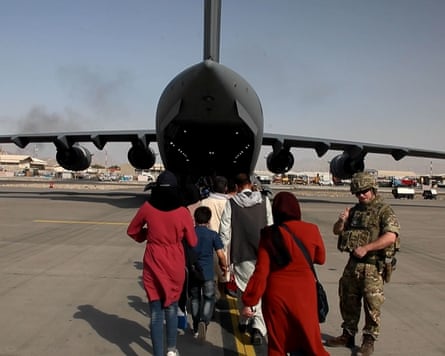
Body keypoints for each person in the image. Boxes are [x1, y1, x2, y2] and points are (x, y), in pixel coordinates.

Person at [241, 191, 330, 356]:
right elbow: (320, 258)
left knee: (277, 344)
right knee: (311, 341)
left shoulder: (269, 233)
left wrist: (249, 300)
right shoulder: (312, 230)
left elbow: (261, 271)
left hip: (277, 294)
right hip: (305, 292)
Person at [325, 172, 400, 356]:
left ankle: (369, 340)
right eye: (358, 192)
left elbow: (391, 236)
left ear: (373, 189)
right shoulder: (355, 211)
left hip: (373, 266)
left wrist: (367, 248)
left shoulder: (384, 211)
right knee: (347, 299)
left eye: (364, 191)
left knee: (372, 304)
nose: (361, 195)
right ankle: (347, 334)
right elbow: (336, 231)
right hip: (353, 265)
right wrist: (341, 221)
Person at [126, 170, 198, 356]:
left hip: (153, 259)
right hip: (174, 260)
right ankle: (172, 349)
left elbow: (132, 231)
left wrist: (147, 236)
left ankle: (157, 352)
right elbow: (192, 242)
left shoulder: (147, 207)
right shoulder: (182, 211)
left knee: (156, 312)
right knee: (172, 307)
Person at [219, 172, 273, 345]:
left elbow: (224, 231)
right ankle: (258, 327)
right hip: (262, 253)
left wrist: (223, 256)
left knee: (244, 289)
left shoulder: (232, 203)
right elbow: (270, 226)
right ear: (251, 184)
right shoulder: (264, 201)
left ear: (236, 187)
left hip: (240, 253)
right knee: (260, 288)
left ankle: (244, 321)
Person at [188, 206, 228, 342]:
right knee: (209, 298)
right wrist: (224, 266)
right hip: (208, 273)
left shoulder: (190, 234)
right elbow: (221, 255)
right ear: (209, 219)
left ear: (195, 219)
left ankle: (195, 326)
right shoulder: (212, 235)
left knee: (194, 299)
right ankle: (204, 322)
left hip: (193, 271)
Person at [200, 176, 233, 298]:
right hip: (224, 243)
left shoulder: (204, 202)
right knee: (224, 274)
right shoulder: (229, 203)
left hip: (206, 242)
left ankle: (210, 299)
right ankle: (222, 297)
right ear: (225, 188)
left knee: (210, 275)